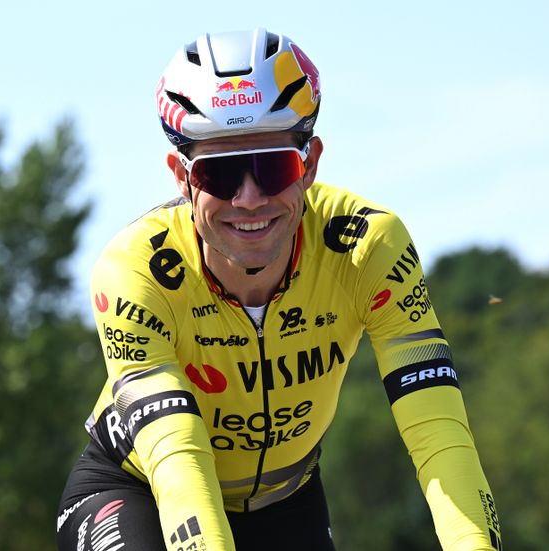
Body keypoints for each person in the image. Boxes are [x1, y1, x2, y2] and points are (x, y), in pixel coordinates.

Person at [56, 28, 503, 551]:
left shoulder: (365, 248)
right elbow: (178, 458)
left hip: (287, 500)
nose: (249, 199)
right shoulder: (137, 272)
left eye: (273, 167)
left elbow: (437, 429)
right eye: (220, 174)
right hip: (140, 492)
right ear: (181, 177)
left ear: (309, 164)